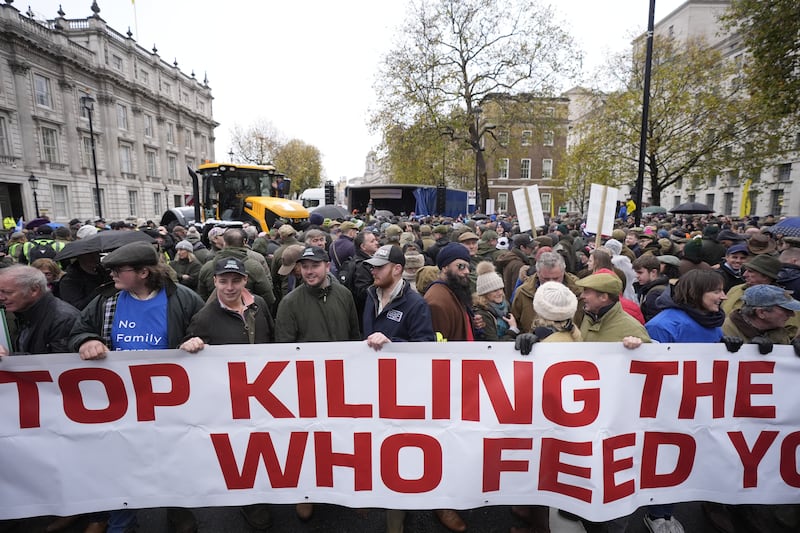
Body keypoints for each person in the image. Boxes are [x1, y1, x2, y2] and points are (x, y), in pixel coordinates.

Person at [68, 241, 204, 533]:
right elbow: (79, 329)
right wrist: (86, 340)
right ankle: (123, 521)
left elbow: (203, 329)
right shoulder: (106, 300)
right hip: (120, 402)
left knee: (172, 457)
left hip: (169, 402)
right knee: (119, 461)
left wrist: (195, 341)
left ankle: (177, 510)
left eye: (119, 269)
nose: (112, 274)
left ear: (143, 272)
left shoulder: (182, 298)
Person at [179, 257, 275, 530]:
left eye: (235, 281)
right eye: (223, 281)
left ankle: (267, 491)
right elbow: (184, 351)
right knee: (242, 451)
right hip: (231, 400)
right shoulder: (205, 317)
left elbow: (273, 341)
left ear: (245, 280)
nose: (230, 287)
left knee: (266, 445)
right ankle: (250, 502)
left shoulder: (259, 304)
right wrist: (191, 342)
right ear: (214, 282)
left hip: (265, 393)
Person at [274, 245, 360, 522]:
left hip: (341, 382)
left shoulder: (345, 295)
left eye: (314, 265)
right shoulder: (290, 302)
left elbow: (354, 336)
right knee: (306, 440)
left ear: (326, 266)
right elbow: (283, 351)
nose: (309, 271)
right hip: (306, 386)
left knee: (340, 437)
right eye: (305, 266)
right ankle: (306, 493)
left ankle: (342, 485)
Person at [512, 281, 582, 533]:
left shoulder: (550, 345)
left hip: (545, 416)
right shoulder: (571, 332)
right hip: (559, 412)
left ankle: (538, 527)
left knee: (539, 471)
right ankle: (529, 511)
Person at [0, 265, 79, 355]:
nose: (1, 297)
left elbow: (59, 364)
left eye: (8, 292)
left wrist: (10, 357)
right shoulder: (24, 311)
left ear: (34, 290)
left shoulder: (63, 319)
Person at [511, 251, 582, 334]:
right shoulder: (523, 292)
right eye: (546, 279)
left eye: (556, 278)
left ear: (563, 272)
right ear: (538, 273)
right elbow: (516, 322)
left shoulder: (579, 290)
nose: (551, 283)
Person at [473, 261, 519, 341]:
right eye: (494, 290)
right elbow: (494, 344)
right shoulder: (482, 314)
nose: (500, 293)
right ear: (484, 294)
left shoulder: (505, 306)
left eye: (501, 288)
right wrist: (512, 329)